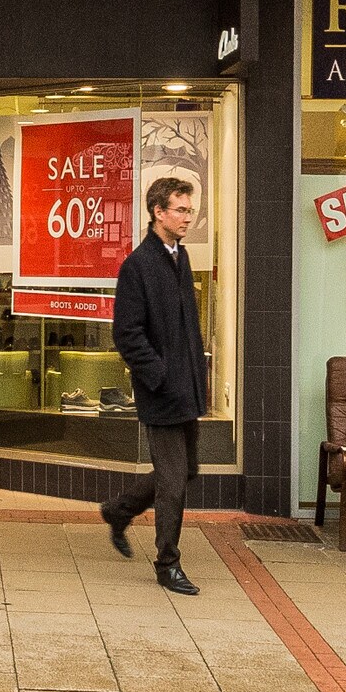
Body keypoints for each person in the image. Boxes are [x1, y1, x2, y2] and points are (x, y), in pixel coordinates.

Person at [100, 175, 206, 596]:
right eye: (180, 209)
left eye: (189, 209)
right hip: (162, 391)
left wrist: (196, 376)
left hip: (188, 387)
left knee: (186, 471)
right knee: (173, 479)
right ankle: (168, 562)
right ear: (157, 212)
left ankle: (118, 510)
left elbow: (188, 327)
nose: (187, 217)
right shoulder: (138, 265)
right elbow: (127, 334)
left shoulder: (181, 258)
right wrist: (159, 376)